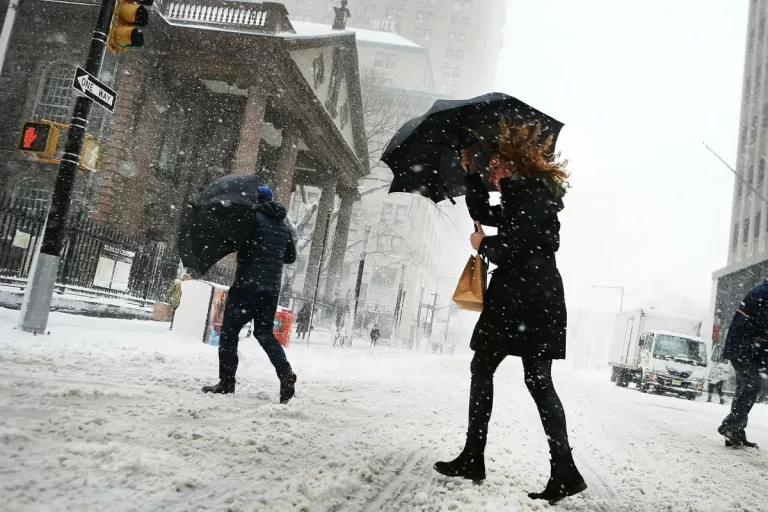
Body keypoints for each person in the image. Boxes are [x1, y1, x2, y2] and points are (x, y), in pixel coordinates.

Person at [434, 119, 586, 504]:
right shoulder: (528, 194)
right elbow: (484, 210)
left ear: (514, 162)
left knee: (502, 371)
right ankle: (559, 468)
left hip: (525, 298)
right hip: (534, 298)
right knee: (530, 378)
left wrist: (483, 244)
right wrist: (469, 172)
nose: (492, 173)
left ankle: (479, 457)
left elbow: (513, 247)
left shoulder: (530, 195)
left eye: (495, 165)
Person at [202, 186, 298, 404]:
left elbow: (235, 241)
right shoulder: (283, 226)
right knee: (264, 333)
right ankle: (285, 372)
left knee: (229, 333)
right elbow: (290, 257)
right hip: (271, 290)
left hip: (247, 286)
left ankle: (227, 382)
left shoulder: (251, 219)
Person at [717, 280, 768, 448]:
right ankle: (731, 426)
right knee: (751, 386)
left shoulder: (763, 291)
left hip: (744, 348)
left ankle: (735, 431)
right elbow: (764, 324)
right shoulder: (763, 293)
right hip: (744, 348)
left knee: (745, 388)